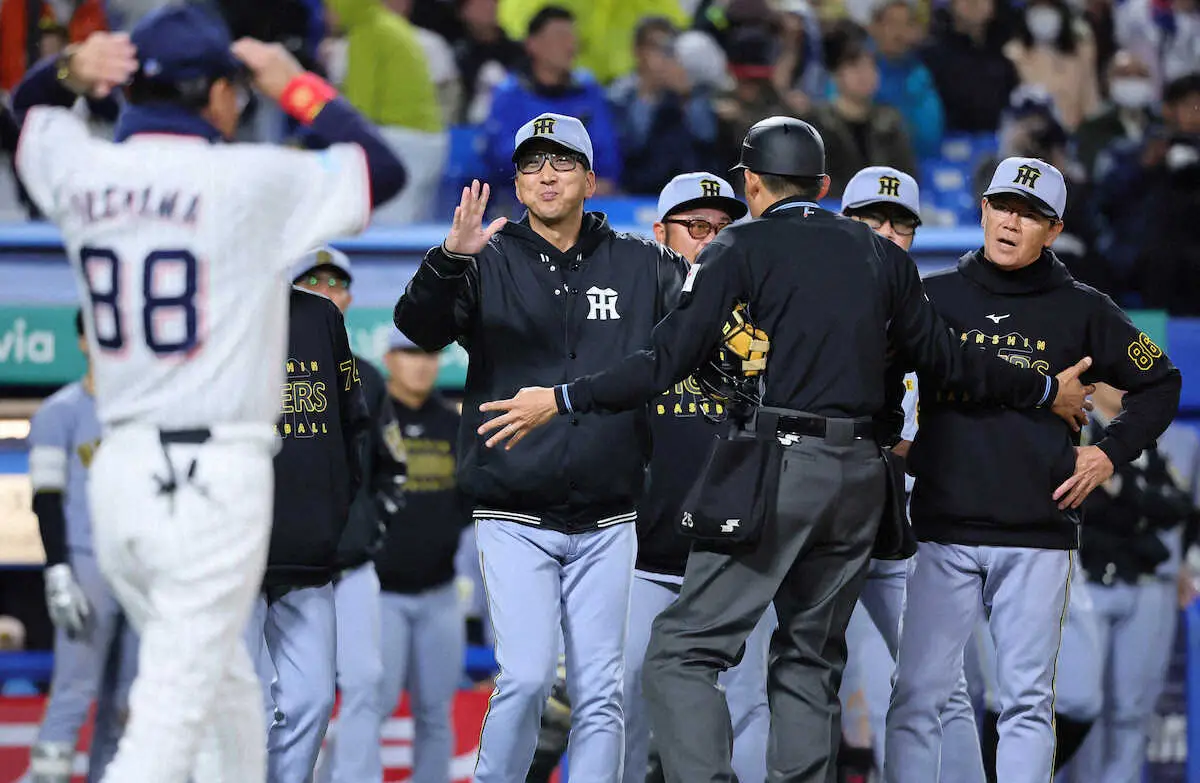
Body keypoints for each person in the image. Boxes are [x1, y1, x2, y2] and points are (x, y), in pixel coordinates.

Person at [473, 115, 1094, 783]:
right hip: (860, 480)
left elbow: (662, 361)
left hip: (782, 469)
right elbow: (949, 359)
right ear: (824, 185)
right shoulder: (879, 253)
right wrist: (1040, 389)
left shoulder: (739, 246)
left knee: (681, 652)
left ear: (751, 182)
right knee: (810, 656)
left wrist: (562, 398)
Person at [11, 5, 405, 780]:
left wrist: (66, 71)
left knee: (229, 703)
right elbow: (379, 168)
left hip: (120, 470)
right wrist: (296, 86)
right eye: (232, 88)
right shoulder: (249, 178)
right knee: (166, 722)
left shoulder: (86, 170)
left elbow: (30, 116)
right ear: (216, 93)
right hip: (213, 476)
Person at [393, 111, 688, 781]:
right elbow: (419, 328)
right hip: (515, 511)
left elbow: (705, 322)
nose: (546, 174)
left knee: (601, 691)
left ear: (589, 179)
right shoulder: (485, 257)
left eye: (561, 163)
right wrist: (448, 259)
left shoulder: (642, 262)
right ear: (518, 184)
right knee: (525, 677)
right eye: (531, 164)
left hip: (611, 512)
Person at [883, 157, 1182, 783]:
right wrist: (894, 438)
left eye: (1031, 214)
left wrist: (1108, 454)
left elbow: (1161, 381)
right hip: (944, 528)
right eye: (1002, 206)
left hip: (1037, 533)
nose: (1012, 222)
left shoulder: (1086, 310)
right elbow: (875, 379)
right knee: (917, 697)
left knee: (1027, 705)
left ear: (1054, 228)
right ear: (983, 210)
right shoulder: (933, 296)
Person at [619, 172, 773, 783]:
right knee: (622, 698)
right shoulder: (628, 315)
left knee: (746, 701)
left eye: (723, 228)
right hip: (642, 551)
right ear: (661, 233)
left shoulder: (765, 313)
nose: (711, 240)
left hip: (738, 551)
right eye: (696, 227)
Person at [836, 166, 982, 782]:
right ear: (846, 225)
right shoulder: (805, 303)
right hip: (819, 517)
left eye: (900, 224)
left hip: (908, 521)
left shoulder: (933, 313)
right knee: (786, 680)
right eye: (873, 221)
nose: (887, 234)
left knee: (932, 685)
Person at [289, 248, 409, 783]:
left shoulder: (369, 379)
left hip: (351, 563)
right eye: (311, 282)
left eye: (333, 284)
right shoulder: (264, 363)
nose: (323, 291)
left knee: (366, 681)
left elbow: (392, 466)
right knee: (285, 692)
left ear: (348, 299)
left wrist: (369, 528)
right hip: (285, 568)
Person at [244, 281, 370, 783]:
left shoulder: (321, 317)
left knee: (314, 700)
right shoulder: (212, 307)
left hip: (308, 553)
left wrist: (334, 513)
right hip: (231, 556)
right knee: (237, 708)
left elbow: (352, 419)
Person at [26, 310, 137, 783]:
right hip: (87, 566)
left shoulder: (139, 411)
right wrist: (58, 569)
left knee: (127, 705)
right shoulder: (61, 411)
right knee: (73, 692)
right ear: (82, 342)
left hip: (138, 570)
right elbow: (45, 496)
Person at [1066, 383, 1198, 783]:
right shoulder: (1074, 430)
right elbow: (1082, 503)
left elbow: (1177, 504)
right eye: (1116, 375)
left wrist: (1123, 491)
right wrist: (1139, 503)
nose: (1128, 382)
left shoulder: (1153, 436)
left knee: (1131, 711)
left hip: (1143, 583)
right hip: (1085, 581)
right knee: (1081, 706)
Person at [373, 331, 471, 783]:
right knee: (372, 706)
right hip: (379, 593)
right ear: (389, 358)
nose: (422, 363)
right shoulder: (371, 417)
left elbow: (471, 500)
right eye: (411, 353)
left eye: (429, 352)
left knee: (436, 712)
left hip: (440, 592)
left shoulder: (453, 423)